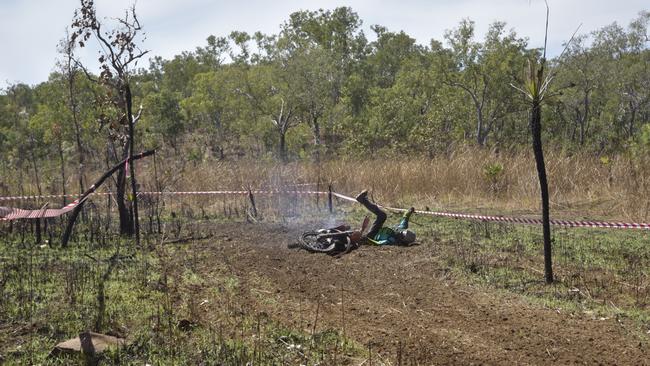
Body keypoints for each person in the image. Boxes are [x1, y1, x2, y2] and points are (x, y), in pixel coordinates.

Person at [352, 190, 416, 246]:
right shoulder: (401, 229)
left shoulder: (392, 241)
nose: (401, 233)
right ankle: (363, 200)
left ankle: (363, 200)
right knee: (382, 215)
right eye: (403, 232)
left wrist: (367, 239)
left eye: (403, 235)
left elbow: (378, 243)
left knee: (382, 216)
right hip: (378, 230)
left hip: (372, 236)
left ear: (403, 240)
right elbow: (405, 219)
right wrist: (409, 211)